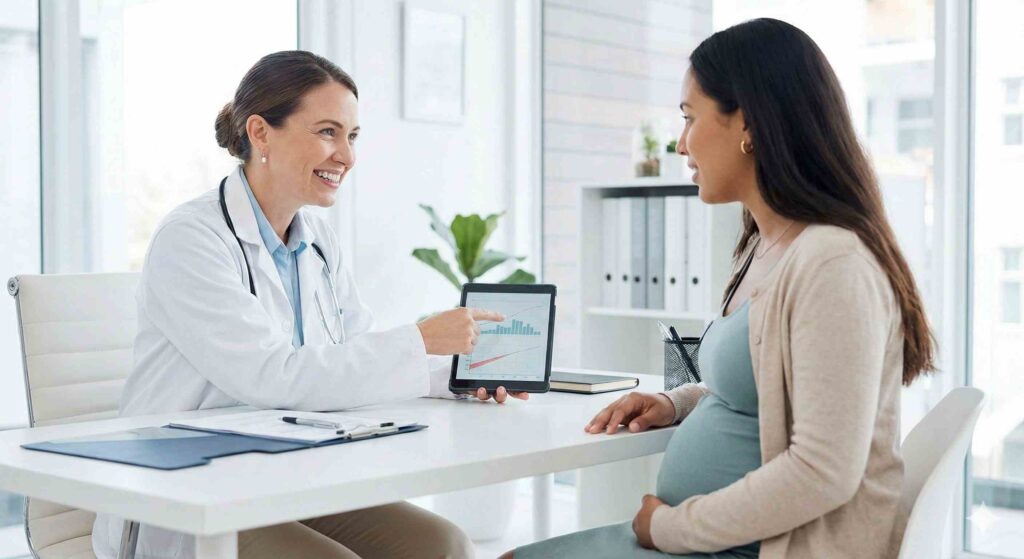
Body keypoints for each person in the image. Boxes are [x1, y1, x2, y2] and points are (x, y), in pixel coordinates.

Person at [507, 18, 935, 559]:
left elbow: (823, 474)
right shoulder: (767, 243)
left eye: (689, 118)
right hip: (709, 540)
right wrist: (675, 402)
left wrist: (666, 528)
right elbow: (764, 389)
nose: (680, 142)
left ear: (749, 124)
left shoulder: (833, 263)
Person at [92, 50, 525, 559]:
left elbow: (356, 352)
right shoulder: (191, 239)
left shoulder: (318, 240)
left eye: (352, 136)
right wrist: (418, 339)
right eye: (327, 132)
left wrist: (458, 375)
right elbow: (271, 376)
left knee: (444, 544)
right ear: (260, 133)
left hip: (291, 477)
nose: (347, 155)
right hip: (190, 493)